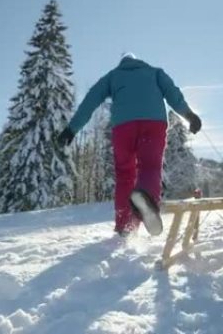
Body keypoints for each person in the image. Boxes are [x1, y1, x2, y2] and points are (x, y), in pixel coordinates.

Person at [58, 53, 201, 237]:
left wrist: (72, 129)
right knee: (150, 167)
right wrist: (190, 116)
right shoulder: (155, 73)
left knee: (125, 174)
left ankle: (125, 226)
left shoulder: (113, 76)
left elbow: (90, 101)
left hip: (123, 128)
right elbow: (174, 95)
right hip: (153, 123)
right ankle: (146, 197)